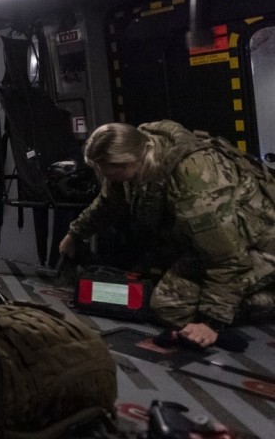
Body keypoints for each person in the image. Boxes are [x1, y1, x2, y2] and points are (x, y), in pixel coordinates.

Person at [59, 120, 275, 348]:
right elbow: (107, 204)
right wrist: (74, 234)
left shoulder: (195, 180)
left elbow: (228, 258)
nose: (104, 178)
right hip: (212, 243)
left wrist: (211, 322)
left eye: (107, 172)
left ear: (126, 163)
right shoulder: (138, 154)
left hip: (259, 245)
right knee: (164, 303)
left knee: (174, 308)